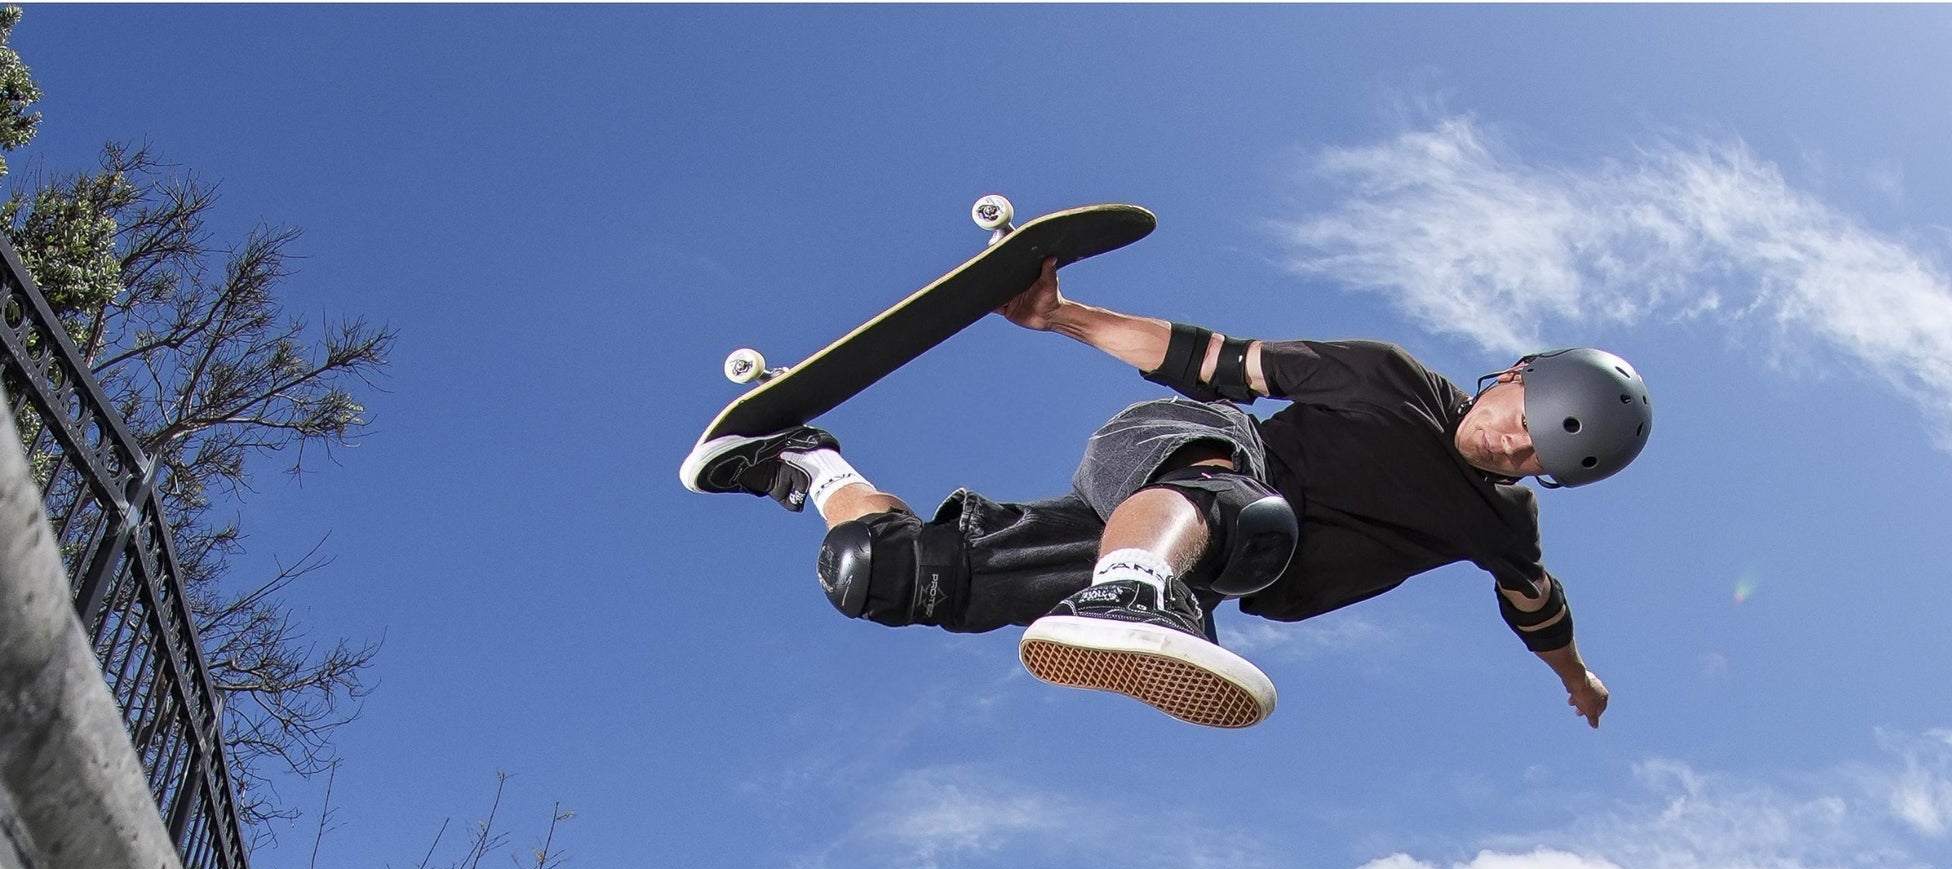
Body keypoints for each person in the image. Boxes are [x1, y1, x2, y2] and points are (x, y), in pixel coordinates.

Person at [682, 257, 1651, 733]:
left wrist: (1576, 680)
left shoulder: (1499, 520)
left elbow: (1534, 603)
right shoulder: (1380, 375)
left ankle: (797, 460)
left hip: (1201, 564)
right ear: (1515, 373)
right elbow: (1206, 359)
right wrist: (1060, 315)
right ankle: (1137, 585)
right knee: (1244, 507)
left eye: (1535, 462)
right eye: (1526, 419)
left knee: (890, 575)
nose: (1511, 448)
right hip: (1178, 460)